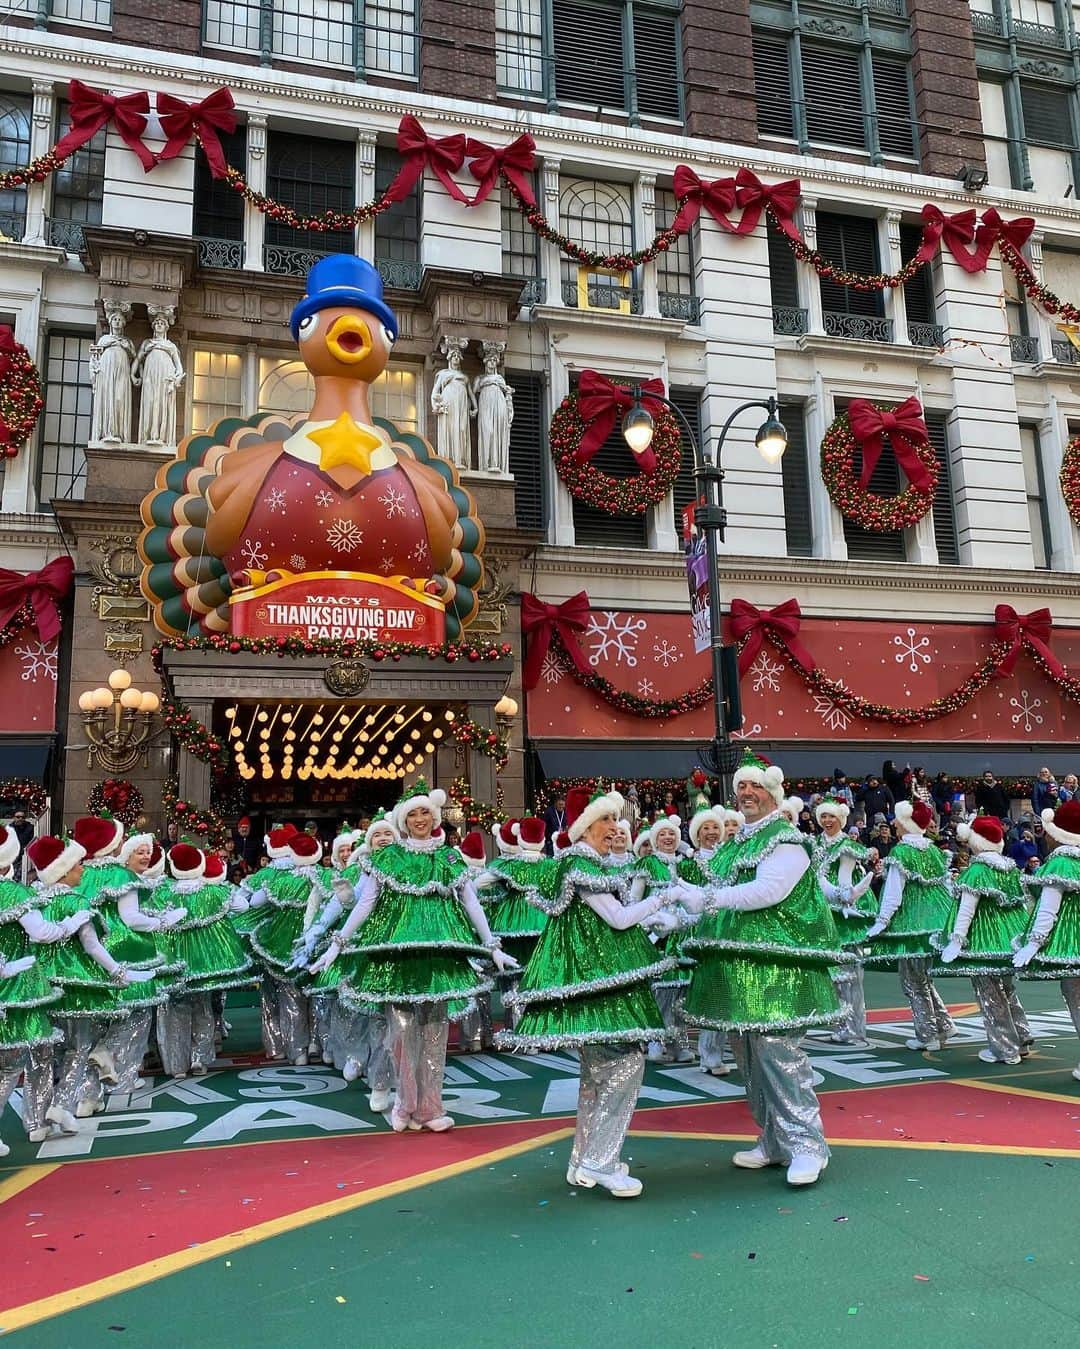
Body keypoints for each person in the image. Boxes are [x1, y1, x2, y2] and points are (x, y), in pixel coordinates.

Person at [495, 786, 676, 1198]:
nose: (615, 827)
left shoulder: (589, 862)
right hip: (599, 979)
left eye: (615, 819)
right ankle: (602, 1160)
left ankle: (584, 1159)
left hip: (599, 975)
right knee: (624, 1064)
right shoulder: (581, 864)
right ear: (585, 826)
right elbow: (617, 919)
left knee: (597, 1071)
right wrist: (663, 899)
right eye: (606, 820)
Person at [678, 750, 847, 1187]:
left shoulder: (787, 840)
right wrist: (674, 907)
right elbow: (713, 890)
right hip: (738, 970)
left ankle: (808, 1145)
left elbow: (768, 891)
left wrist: (708, 900)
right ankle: (774, 1139)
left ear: (773, 792)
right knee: (748, 1055)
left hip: (778, 971)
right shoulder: (737, 844)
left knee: (779, 1053)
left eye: (754, 786)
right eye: (740, 787)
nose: (746, 793)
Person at [311, 780, 517, 1132]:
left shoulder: (448, 857)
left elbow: (469, 901)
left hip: (439, 959)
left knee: (435, 1035)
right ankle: (404, 1106)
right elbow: (366, 903)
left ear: (434, 816)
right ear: (402, 819)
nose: (420, 819)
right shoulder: (387, 858)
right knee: (402, 1035)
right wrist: (337, 944)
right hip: (398, 957)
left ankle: (431, 1108)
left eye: (426, 812)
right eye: (413, 813)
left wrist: (491, 945)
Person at [27, 834, 157, 1135]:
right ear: (64, 869)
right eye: (77, 866)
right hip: (77, 986)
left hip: (38, 986)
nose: (82, 871)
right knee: (80, 1046)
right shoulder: (78, 902)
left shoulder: (34, 899)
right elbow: (92, 946)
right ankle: (60, 1104)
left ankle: (35, 1122)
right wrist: (119, 973)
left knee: (43, 1053)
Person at [934, 817, 1031, 1066]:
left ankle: (1004, 1048)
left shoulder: (977, 870)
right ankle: (1020, 1036)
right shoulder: (1009, 867)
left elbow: (967, 909)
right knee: (1007, 989)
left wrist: (957, 939)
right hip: (1010, 938)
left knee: (989, 993)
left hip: (983, 939)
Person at [864, 800, 955, 1052]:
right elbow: (947, 887)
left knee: (912, 980)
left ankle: (927, 1034)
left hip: (911, 923)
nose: (893, 824)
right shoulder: (935, 851)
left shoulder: (902, 852)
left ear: (906, 823)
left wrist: (882, 922)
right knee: (923, 978)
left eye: (897, 820)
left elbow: (893, 892)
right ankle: (943, 1024)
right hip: (936, 921)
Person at [0, 825, 62, 1153]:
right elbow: (40, 933)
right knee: (28, 1055)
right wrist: (71, 924)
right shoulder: (15, 894)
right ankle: (36, 1121)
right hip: (18, 984)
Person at [1013, 800, 1080, 1082]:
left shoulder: (1061, 863)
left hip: (1070, 942)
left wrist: (1034, 942)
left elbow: (1048, 909)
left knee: (1077, 997)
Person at [813, 796, 878, 1045]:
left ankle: (854, 1027)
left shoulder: (846, 846)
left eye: (832, 816)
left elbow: (844, 878)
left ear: (841, 819)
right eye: (824, 816)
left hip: (843, 913)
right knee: (832, 974)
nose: (827, 821)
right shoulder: (815, 844)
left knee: (850, 974)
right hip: (821, 911)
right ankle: (842, 1023)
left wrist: (844, 900)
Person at [631, 815, 694, 1065]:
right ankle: (656, 1041)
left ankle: (679, 1044)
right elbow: (634, 900)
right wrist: (644, 924)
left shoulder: (683, 865)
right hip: (656, 937)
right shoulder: (647, 863)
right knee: (660, 991)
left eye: (672, 834)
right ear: (655, 840)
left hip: (680, 936)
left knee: (681, 991)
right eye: (662, 835)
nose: (668, 838)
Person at [684, 805, 742, 1077]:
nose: (711, 833)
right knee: (706, 992)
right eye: (705, 828)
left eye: (714, 828)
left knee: (725, 992)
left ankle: (714, 1053)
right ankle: (705, 1053)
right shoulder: (690, 864)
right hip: (700, 934)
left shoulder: (730, 859)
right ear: (696, 834)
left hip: (728, 932)